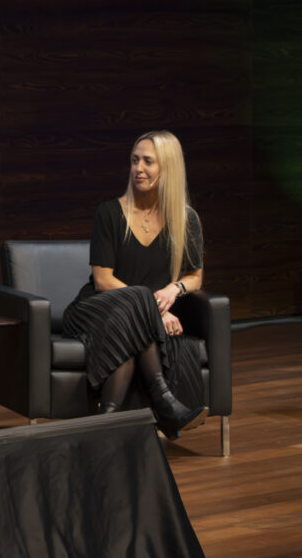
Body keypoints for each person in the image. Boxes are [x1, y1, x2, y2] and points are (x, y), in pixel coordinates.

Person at [62, 130, 208, 440]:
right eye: (134, 161)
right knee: (137, 306)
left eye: (148, 162)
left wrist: (174, 290)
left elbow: (194, 276)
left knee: (130, 329)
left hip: (127, 320)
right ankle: (165, 401)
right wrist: (153, 312)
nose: (138, 169)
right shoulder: (110, 213)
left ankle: (106, 421)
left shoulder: (186, 220)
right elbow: (103, 281)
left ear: (168, 168)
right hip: (95, 308)